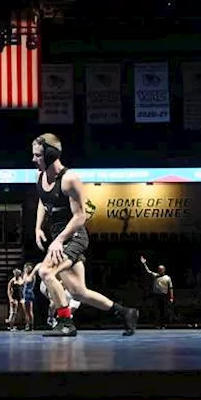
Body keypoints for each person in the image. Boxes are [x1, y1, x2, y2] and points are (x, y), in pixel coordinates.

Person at [31, 134, 138, 337]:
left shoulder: (69, 180)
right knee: (79, 292)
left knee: (45, 272)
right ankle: (126, 313)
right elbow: (42, 201)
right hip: (58, 239)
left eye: (37, 155)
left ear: (50, 155)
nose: (33, 159)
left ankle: (65, 322)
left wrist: (60, 240)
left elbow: (81, 216)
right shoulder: (39, 177)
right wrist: (38, 228)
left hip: (74, 237)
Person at [140, 255, 174, 328]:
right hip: (156, 295)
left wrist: (171, 297)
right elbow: (148, 271)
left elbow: (170, 288)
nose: (159, 270)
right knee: (157, 310)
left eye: (161, 269)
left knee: (164, 310)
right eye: (158, 269)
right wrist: (144, 263)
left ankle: (164, 324)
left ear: (164, 270)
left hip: (164, 296)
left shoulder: (167, 278)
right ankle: (157, 324)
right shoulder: (155, 275)